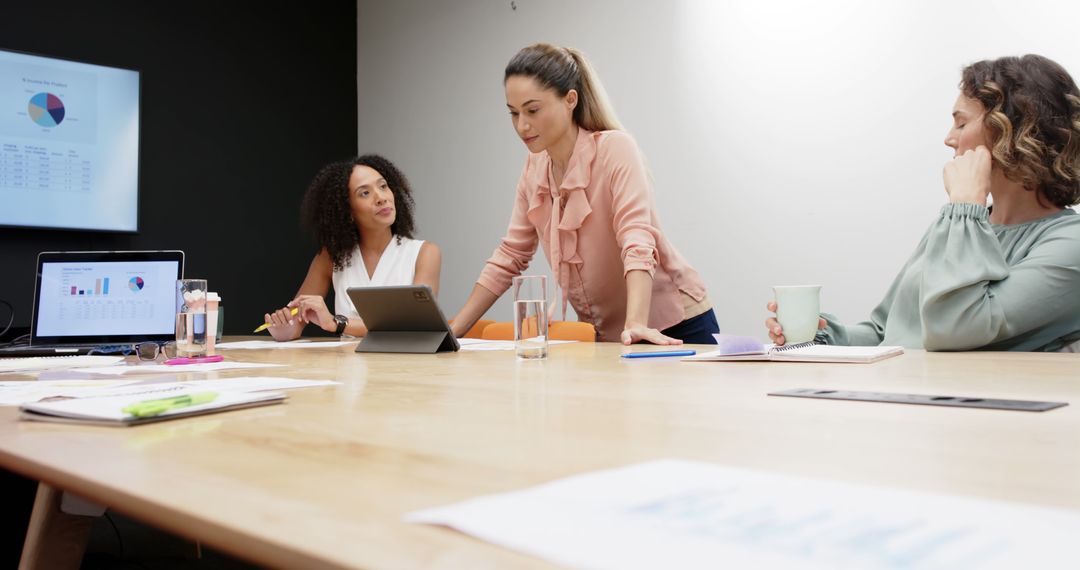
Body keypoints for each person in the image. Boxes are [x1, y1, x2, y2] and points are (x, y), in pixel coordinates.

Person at [767, 54, 1080, 351]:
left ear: (1010, 131)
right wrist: (819, 334)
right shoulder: (959, 224)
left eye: (961, 123)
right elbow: (884, 333)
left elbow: (956, 328)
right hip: (905, 396)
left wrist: (965, 207)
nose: (949, 138)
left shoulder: (1070, 243)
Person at [450, 43, 718, 345]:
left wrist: (635, 324)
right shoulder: (534, 169)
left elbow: (637, 238)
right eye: (514, 113)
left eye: (533, 110)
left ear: (570, 100)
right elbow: (511, 255)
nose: (522, 126)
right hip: (611, 335)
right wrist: (451, 333)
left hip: (674, 323)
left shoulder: (615, 149)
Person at [263, 155, 441, 340]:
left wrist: (337, 323)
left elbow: (416, 323)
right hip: (347, 366)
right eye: (365, 193)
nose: (381, 198)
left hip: (407, 366)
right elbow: (295, 323)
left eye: (383, 186)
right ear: (347, 211)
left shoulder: (425, 253)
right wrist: (284, 329)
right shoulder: (331, 257)